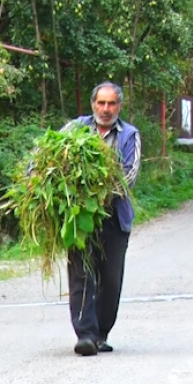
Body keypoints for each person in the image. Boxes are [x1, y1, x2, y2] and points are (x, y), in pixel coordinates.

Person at [62, 81, 141, 356]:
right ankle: (85, 334)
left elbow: (129, 175)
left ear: (119, 106)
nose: (105, 109)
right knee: (81, 274)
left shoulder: (129, 135)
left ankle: (101, 333)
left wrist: (98, 194)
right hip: (80, 216)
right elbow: (45, 154)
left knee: (110, 279)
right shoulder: (75, 129)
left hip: (113, 216)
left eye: (111, 104)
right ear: (93, 104)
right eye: (101, 103)